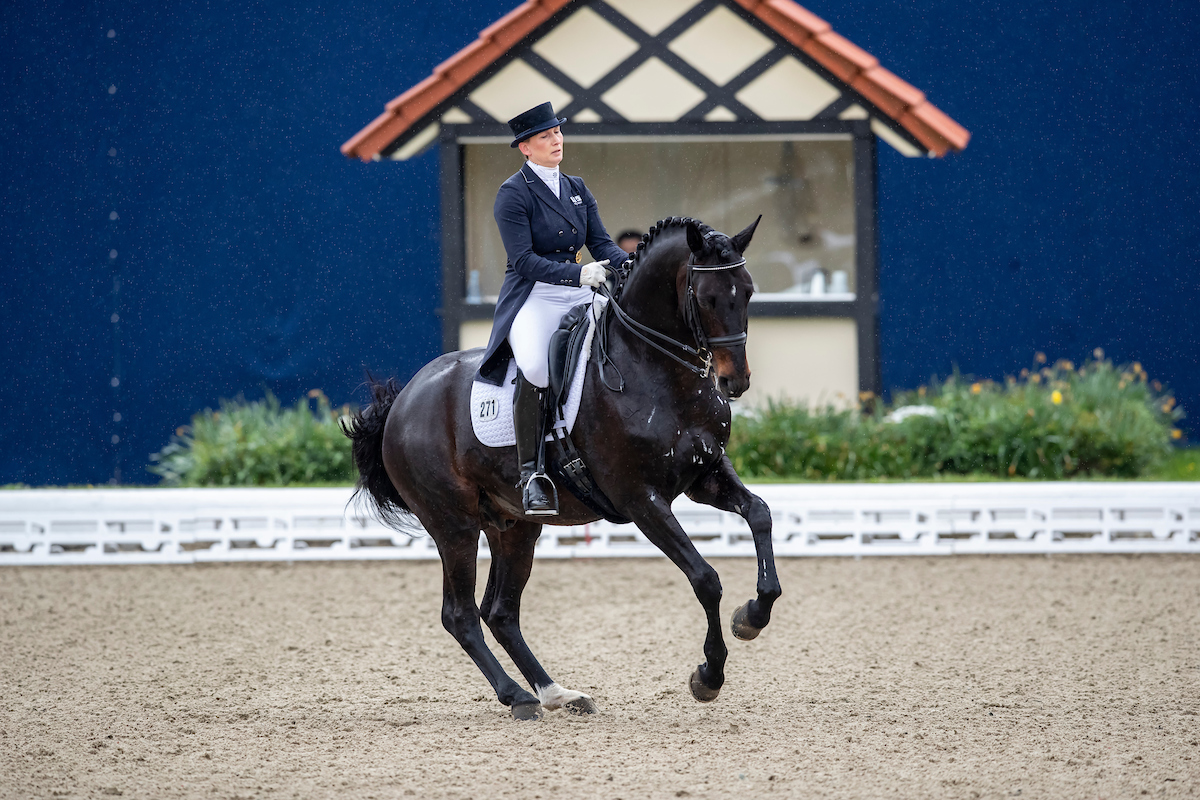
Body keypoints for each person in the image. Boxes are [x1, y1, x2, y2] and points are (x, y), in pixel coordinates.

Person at [476, 102, 629, 516]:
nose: (556, 140)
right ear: (525, 148)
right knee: (537, 368)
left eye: (558, 133)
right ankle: (531, 475)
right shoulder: (512, 193)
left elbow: (601, 244)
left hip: (581, 288)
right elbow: (523, 260)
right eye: (545, 136)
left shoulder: (577, 186)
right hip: (534, 295)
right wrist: (578, 276)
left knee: (624, 336)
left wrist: (630, 264)